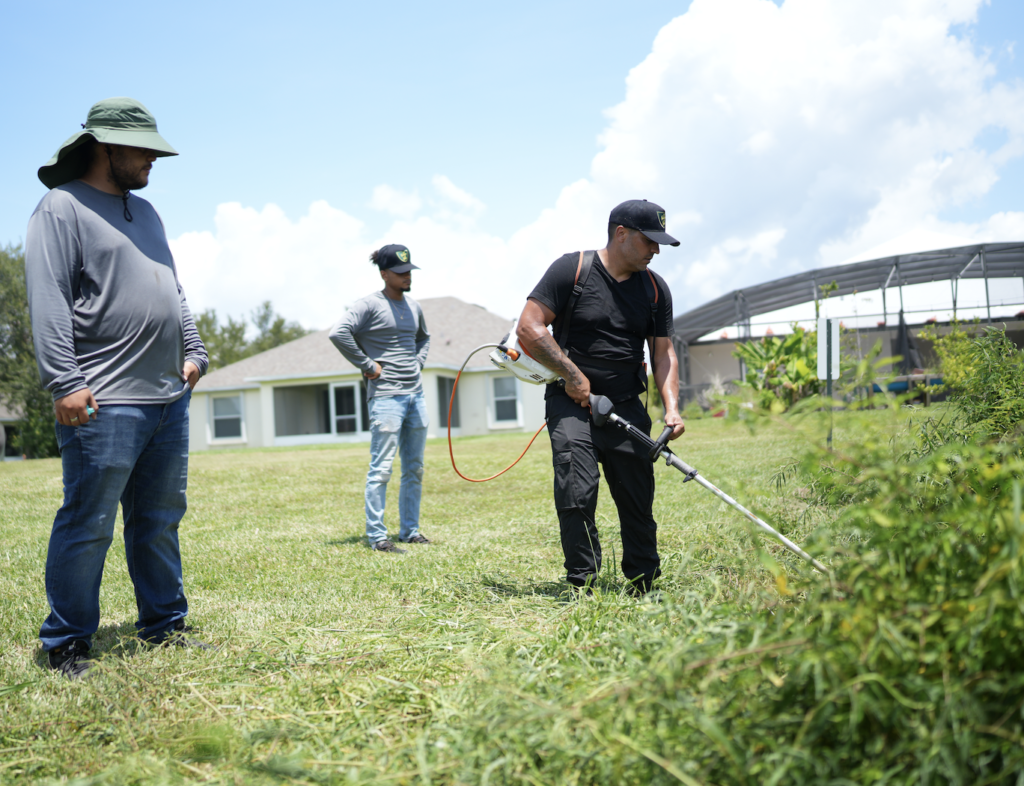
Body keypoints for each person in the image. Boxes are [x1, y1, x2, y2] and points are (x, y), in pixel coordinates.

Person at [26, 97, 209, 678]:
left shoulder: (148, 212)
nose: (154, 158)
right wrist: (64, 380)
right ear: (107, 147)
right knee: (89, 522)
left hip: (165, 398)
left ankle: (164, 625)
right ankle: (67, 643)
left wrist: (194, 348)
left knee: (159, 519)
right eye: (144, 149)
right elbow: (48, 297)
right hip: (102, 398)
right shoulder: (61, 208)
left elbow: (172, 289)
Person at [517, 199, 685, 594]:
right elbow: (529, 326)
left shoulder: (655, 289)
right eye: (650, 241)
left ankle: (644, 582)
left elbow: (664, 354)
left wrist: (672, 407)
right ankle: (583, 584)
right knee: (576, 489)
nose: (656, 251)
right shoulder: (571, 270)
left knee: (636, 497)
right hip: (570, 402)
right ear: (621, 234)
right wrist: (574, 378)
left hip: (626, 404)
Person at [329, 244, 431, 553]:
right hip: (386, 398)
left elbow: (423, 338)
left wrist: (418, 363)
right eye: (399, 273)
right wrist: (368, 365)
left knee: (414, 468)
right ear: (384, 273)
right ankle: (377, 537)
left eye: (408, 272)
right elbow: (339, 333)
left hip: (416, 395)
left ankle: (410, 531)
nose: (406, 277)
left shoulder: (413, 307)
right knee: (382, 468)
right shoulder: (369, 305)